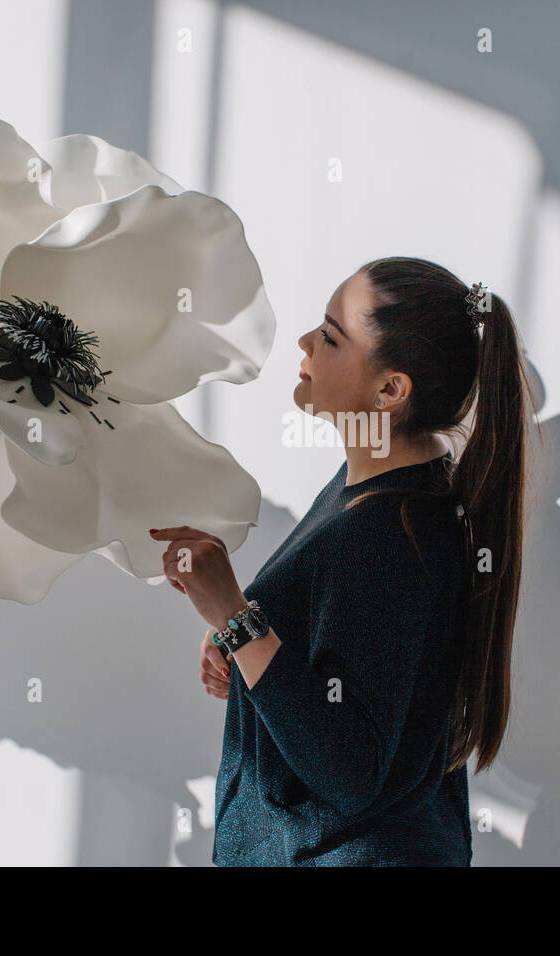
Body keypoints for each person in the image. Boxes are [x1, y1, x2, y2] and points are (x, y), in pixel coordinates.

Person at [150, 256, 534, 865]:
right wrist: (243, 633)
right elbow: (347, 668)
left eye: (330, 336)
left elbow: (348, 769)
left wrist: (234, 614)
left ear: (390, 390)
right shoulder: (376, 490)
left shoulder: (393, 534)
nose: (304, 342)